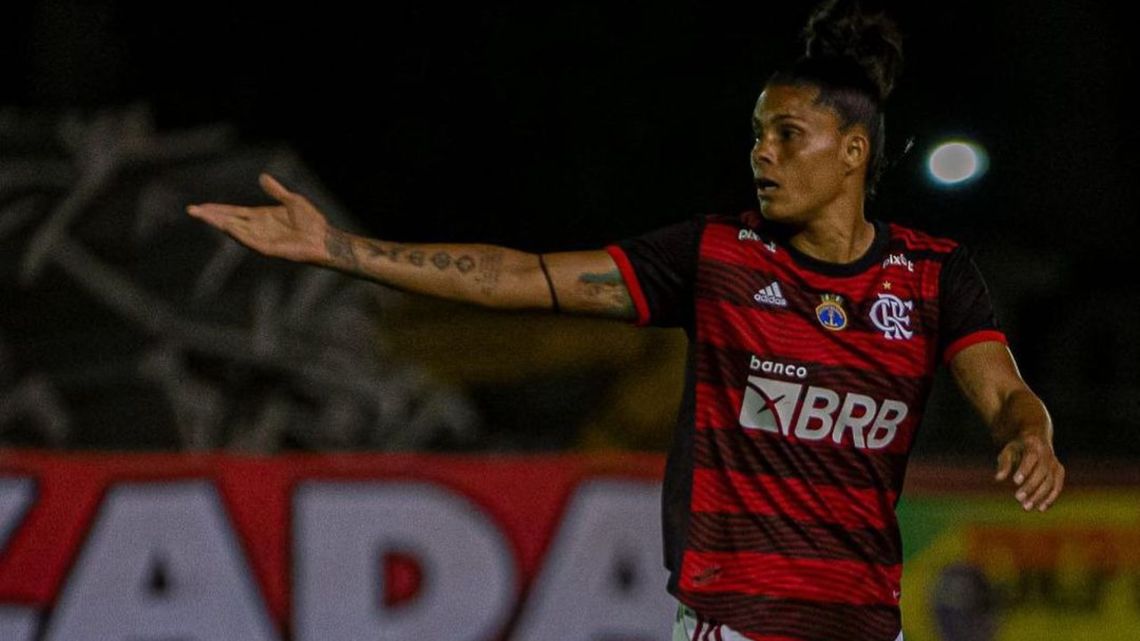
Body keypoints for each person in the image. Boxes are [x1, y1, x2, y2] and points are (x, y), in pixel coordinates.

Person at [186, 1, 1064, 639]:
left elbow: (1007, 395)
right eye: (757, 134)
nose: (761, 152)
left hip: (867, 623)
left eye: (787, 134)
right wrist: (341, 247)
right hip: (737, 621)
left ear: (854, 151)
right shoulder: (719, 257)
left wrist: (1031, 435)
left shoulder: (933, 276)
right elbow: (521, 278)